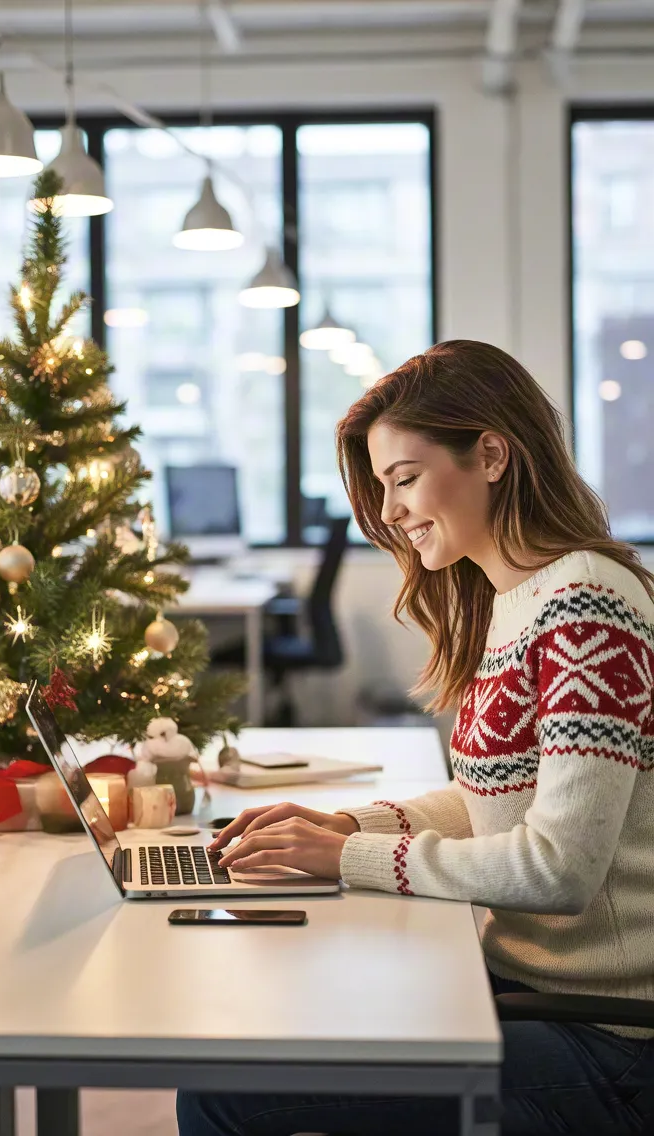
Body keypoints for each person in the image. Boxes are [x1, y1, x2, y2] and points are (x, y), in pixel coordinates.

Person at [177, 340, 654, 1136]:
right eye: (382, 486)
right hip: (525, 993)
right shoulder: (517, 598)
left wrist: (343, 859)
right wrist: (344, 827)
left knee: (222, 1090)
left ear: (491, 454)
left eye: (404, 478)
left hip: (605, 1039)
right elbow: (490, 805)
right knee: (271, 1020)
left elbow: (560, 869)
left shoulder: (587, 604)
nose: (390, 512)